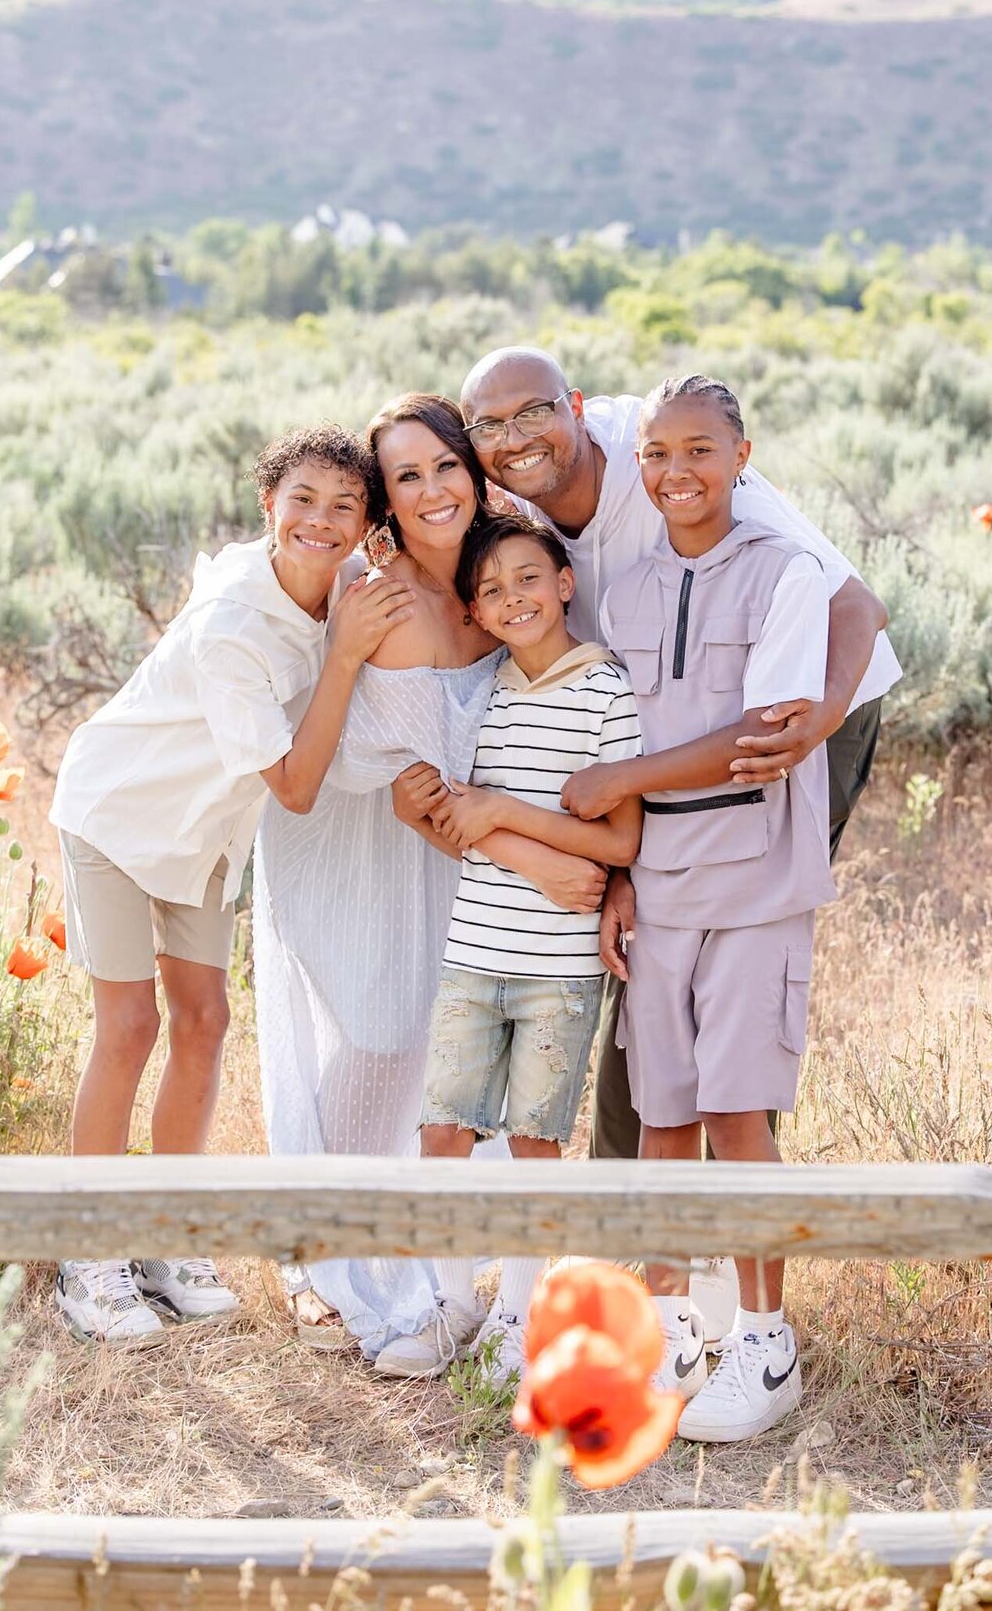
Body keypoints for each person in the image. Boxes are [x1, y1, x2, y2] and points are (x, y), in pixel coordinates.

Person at [458, 348, 899, 1178]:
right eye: (491, 425)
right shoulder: (511, 501)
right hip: (665, 738)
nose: (516, 437)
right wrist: (627, 852)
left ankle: (723, 1213)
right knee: (644, 949)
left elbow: (855, 604)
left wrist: (808, 727)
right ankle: (643, 1237)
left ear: (578, 408)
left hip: (805, 703)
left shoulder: (671, 447)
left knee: (738, 955)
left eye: (535, 413)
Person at [252, 397, 608, 1368]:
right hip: (355, 832)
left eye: (443, 466)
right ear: (387, 500)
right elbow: (424, 794)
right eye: (405, 478)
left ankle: (459, 1282)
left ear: (474, 470)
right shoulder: (386, 597)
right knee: (370, 1041)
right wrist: (541, 862)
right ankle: (325, 1253)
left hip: (455, 841)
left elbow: (494, 767)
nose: (430, 490)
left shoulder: (504, 578)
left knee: (445, 1071)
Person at [49, 425, 411, 1344]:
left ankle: (172, 1234)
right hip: (121, 820)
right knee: (129, 1026)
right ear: (268, 507)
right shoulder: (234, 629)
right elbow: (292, 787)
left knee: (205, 1024)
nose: (320, 522)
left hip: (202, 841)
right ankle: (86, 1253)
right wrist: (342, 658)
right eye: (302, 502)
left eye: (344, 506)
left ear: (369, 525)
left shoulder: (346, 591)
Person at [562, 375, 835, 1442]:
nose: (678, 472)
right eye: (658, 454)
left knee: (735, 1112)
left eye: (701, 452)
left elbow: (764, 732)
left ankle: (764, 1346)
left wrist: (624, 781)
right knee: (665, 1113)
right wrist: (622, 870)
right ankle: (669, 1328)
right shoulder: (625, 592)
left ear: (742, 456)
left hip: (756, 875)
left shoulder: (787, 576)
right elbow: (617, 737)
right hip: (662, 882)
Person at [376, 513, 643, 1382]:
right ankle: (451, 1303)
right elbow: (438, 807)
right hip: (473, 952)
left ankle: (519, 1315)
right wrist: (495, 829)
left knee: (535, 1143)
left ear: (565, 585)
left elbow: (620, 842)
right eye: (490, 590)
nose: (511, 598)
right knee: (442, 1131)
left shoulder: (608, 690)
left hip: (559, 971)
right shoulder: (486, 694)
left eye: (528, 578)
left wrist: (500, 813)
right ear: (478, 615)